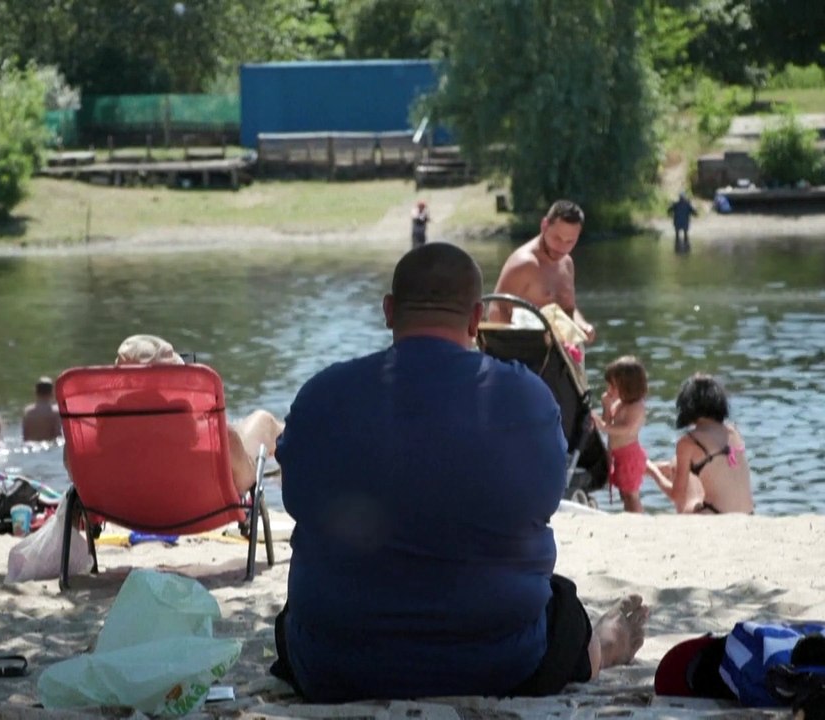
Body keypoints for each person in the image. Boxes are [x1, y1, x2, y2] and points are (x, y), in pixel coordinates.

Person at [271, 243, 648, 702]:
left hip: (336, 663)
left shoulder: (321, 396)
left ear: (389, 311)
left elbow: (296, 497)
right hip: (498, 660)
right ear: (475, 319)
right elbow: (545, 503)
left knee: (297, 614)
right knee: (562, 608)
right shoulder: (526, 397)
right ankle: (603, 649)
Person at [113, 334, 284, 497]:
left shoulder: (105, 427)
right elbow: (243, 481)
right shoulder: (194, 429)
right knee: (264, 422)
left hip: (128, 506)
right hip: (199, 507)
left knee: (238, 430)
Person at [487, 200, 596, 343]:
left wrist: (583, 326)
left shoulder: (567, 263)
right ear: (544, 225)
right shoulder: (524, 264)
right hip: (526, 354)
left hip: (561, 354)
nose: (562, 247)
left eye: (570, 241)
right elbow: (497, 310)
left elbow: (568, 309)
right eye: (557, 238)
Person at [646, 373, 754, 514]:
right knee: (679, 465)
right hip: (748, 514)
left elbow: (677, 496)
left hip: (715, 514)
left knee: (678, 467)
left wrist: (653, 472)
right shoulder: (732, 431)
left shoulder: (689, 442)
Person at [591, 356, 649, 513]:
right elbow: (608, 422)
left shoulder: (637, 407)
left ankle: (638, 519)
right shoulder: (619, 403)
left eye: (613, 386)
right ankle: (630, 516)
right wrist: (606, 407)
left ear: (628, 386)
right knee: (624, 493)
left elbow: (628, 429)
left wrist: (604, 427)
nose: (608, 390)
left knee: (631, 494)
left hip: (629, 455)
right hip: (617, 455)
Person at [21, 376, 62, 442]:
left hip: (31, 446)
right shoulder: (56, 412)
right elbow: (58, 435)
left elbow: (25, 436)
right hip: (50, 447)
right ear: (52, 393)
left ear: (36, 392)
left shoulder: (28, 411)